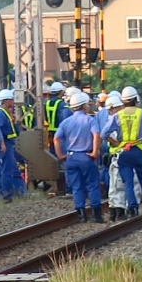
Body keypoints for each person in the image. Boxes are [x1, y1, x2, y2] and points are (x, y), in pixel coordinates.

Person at [101, 86, 142, 219]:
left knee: (128, 182)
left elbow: (104, 134)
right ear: (136, 99)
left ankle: (132, 209)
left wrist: (117, 143)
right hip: (140, 152)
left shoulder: (118, 115)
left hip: (124, 153)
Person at [53, 92, 104, 223]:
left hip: (71, 157)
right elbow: (97, 136)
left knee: (76, 187)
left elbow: (56, 138)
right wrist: (94, 152)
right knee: (92, 185)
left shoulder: (65, 122)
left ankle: (81, 214)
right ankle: (97, 215)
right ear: (84, 106)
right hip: (86, 156)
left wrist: (60, 156)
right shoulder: (90, 120)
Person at [103, 95, 142, 221]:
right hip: (122, 156)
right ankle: (126, 210)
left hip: (116, 157)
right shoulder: (117, 120)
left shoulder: (111, 120)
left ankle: (115, 211)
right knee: (129, 183)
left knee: (115, 186)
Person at [0, 89, 26, 201]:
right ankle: (7, 195)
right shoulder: (0, 114)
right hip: (6, 146)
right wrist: (2, 143)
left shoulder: (6, 113)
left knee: (15, 171)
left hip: (9, 145)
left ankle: (22, 193)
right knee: (7, 170)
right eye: (11, 99)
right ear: (6, 101)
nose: (13, 101)